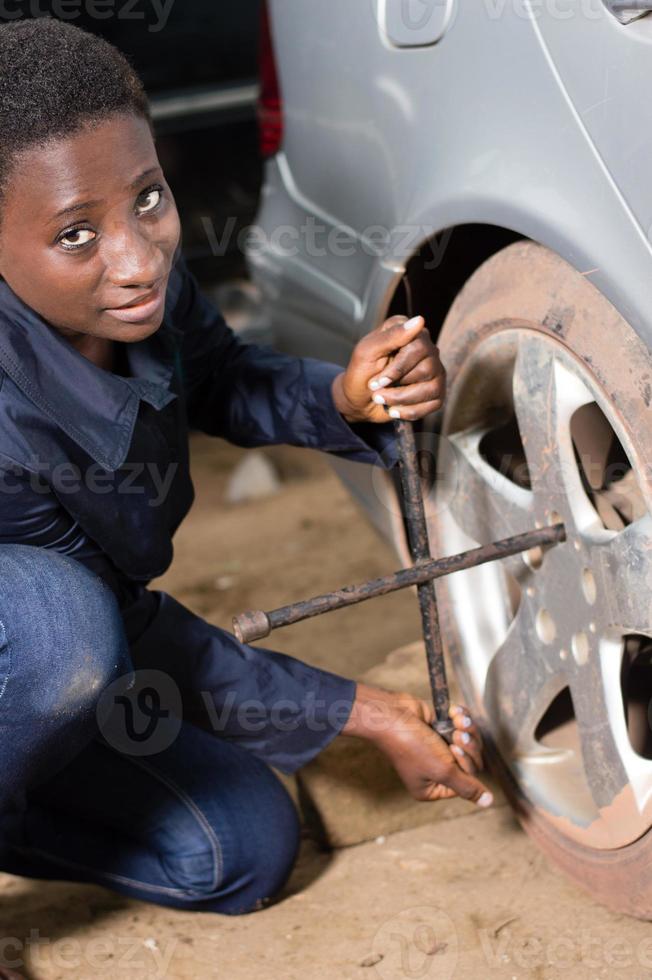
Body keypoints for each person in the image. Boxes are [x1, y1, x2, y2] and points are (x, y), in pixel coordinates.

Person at [0, 18, 492, 929]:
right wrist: (363, 712)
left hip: (44, 685)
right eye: (76, 235)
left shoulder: (141, 282)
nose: (139, 259)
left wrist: (344, 401)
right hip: (38, 647)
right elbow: (120, 634)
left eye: (148, 198)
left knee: (240, 848)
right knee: (53, 627)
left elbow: (221, 379)